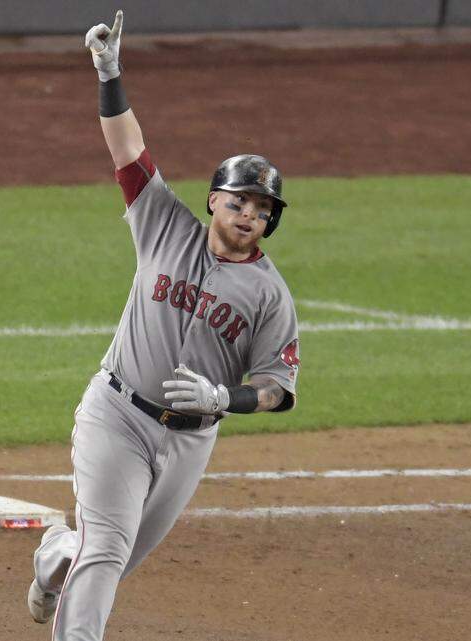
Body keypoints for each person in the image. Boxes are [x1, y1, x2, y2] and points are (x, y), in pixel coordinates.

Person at [26, 10, 301, 640]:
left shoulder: (269, 294)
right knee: (107, 552)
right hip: (117, 415)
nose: (248, 216)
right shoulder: (162, 222)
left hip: (187, 444)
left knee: (106, 560)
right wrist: (109, 73)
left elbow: (278, 389)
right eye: (238, 202)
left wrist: (221, 398)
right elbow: (127, 149)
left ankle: (52, 557)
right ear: (212, 200)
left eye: (261, 210)